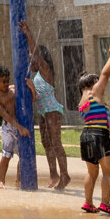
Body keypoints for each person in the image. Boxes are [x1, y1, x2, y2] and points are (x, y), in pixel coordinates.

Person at [18, 21, 70, 191]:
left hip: (52, 110)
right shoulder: (37, 76)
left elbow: (36, 53)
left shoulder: (45, 71)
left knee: (56, 143)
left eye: (30, 58)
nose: (29, 60)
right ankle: (53, 174)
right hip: (42, 111)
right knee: (46, 143)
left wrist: (28, 33)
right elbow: (35, 97)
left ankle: (65, 175)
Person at [78, 45, 110, 216]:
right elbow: (105, 75)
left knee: (92, 173)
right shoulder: (95, 92)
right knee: (108, 172)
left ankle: (88, 203)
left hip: (86, 136)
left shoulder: (82, 100)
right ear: (93, 84)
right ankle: (105, 204)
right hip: (99, 137)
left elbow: (97, 124)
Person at [0, 64, 30, 189]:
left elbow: (29, 99)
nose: (6, 84)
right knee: (6, 155)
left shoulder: (13, 89)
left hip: (20, 124)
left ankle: (18, 180)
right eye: (3, 82)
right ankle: (1, 181)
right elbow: (6, 116)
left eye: (7, 81)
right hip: (8, 128)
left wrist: (31, 87)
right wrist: (20, 127)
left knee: (23, 155)